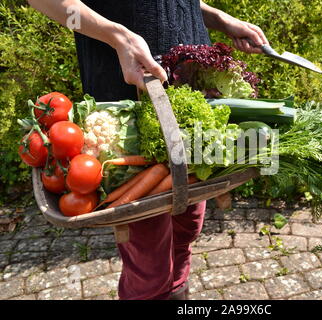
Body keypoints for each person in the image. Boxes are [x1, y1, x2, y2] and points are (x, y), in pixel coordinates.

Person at [27, 0, 269, 300]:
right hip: (127, 108)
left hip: (194, 106)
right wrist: (116, 36)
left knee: (187, 231)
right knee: (149, 260)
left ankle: (179, 294)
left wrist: (219, 19)